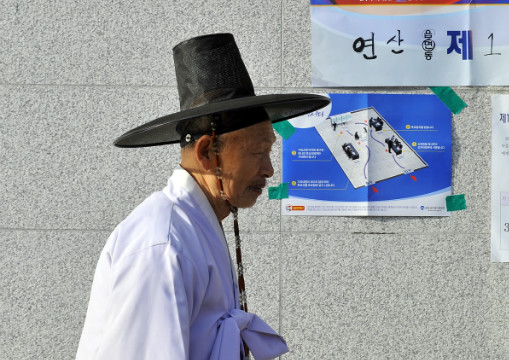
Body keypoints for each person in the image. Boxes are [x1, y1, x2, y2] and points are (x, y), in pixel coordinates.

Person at [76, 33, 330, 360]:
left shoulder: (194, 224)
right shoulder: (163, 243)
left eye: (270, 152)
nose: (269, 170)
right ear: (209, 153)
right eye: (257, 152)